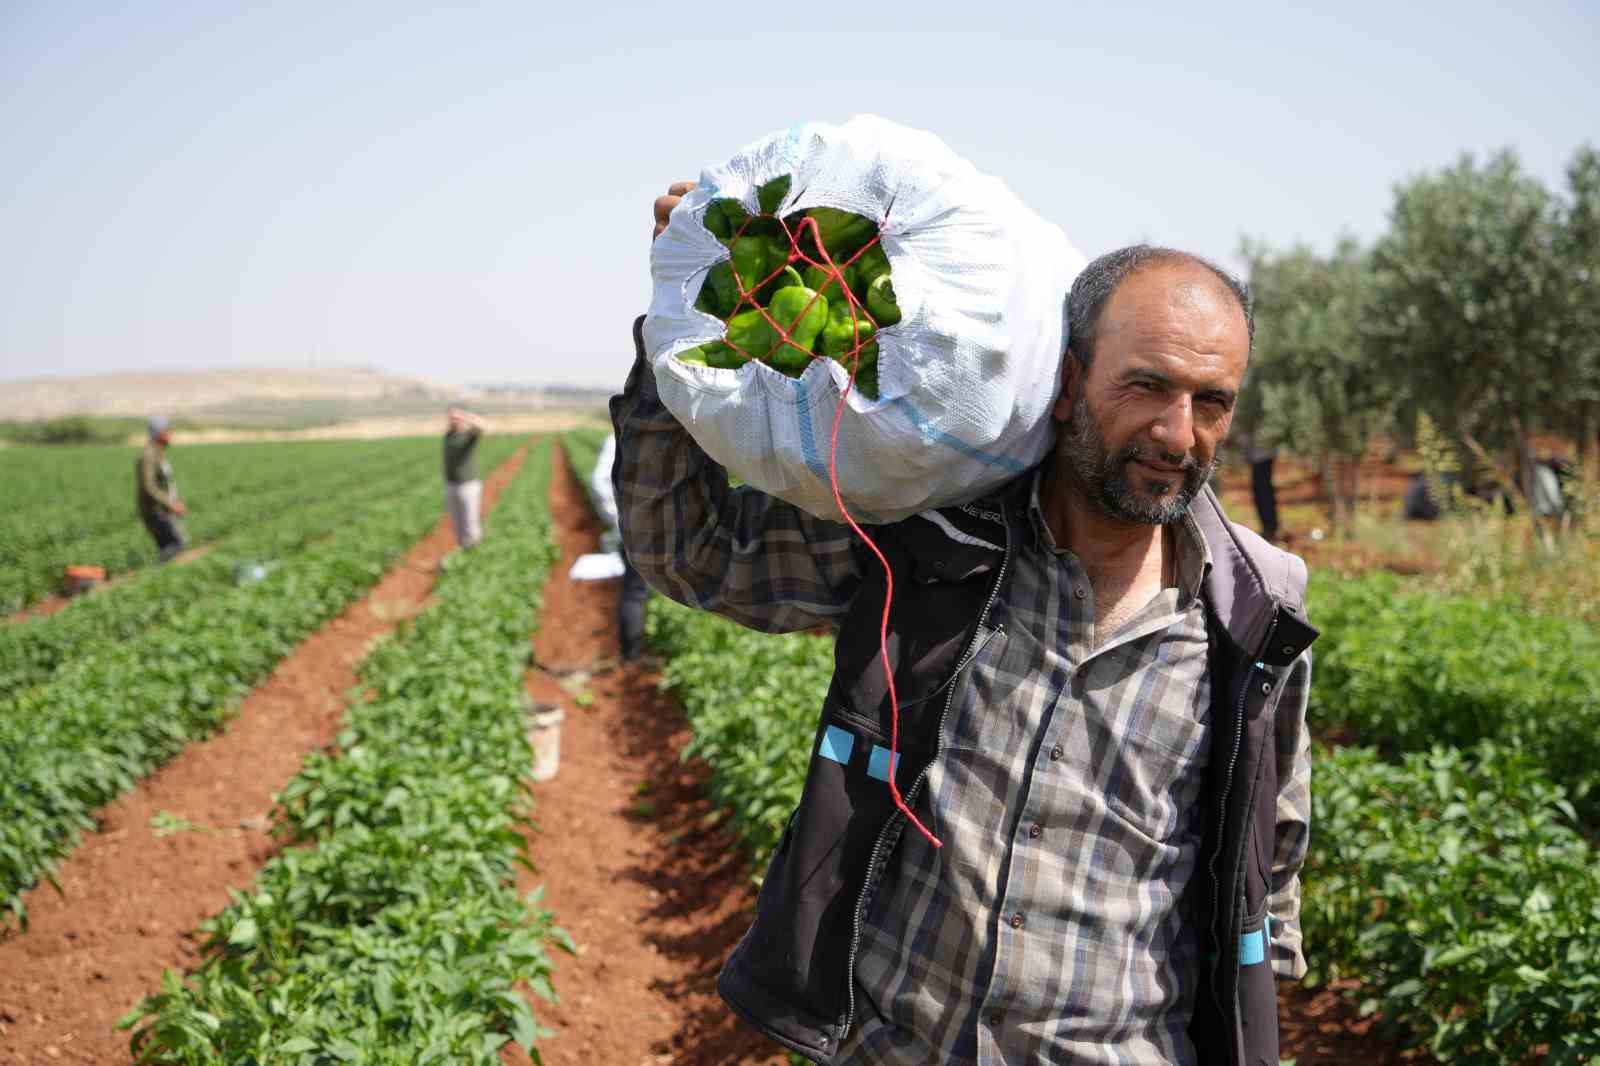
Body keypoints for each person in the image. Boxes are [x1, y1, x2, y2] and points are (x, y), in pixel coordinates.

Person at [616, 187, 1319, 1066]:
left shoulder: (1254, 612)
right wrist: (685, 305)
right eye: (1147, 387)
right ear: (1067, 384)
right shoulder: (935, 542)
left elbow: (1272, 849)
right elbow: (690, 549)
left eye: (1211, 402)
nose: (1179, 433)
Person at [588, 431, 653, 663]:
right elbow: (600, 481)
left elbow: (599, 480)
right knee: (637, 590)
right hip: (645, 527)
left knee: (637, 590)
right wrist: (619, 518)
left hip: (645, 526)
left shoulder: (624, 430)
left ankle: (634, 654)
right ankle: (633, 656)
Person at [136, 416, 188, 562]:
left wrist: (173, 502)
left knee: (170, 545)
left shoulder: (158, 453)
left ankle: (160, 574)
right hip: (155, 511)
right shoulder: (148, 456)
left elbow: (164, 483)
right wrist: (171, 504)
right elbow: (149, 487)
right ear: (160, 433)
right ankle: (155, 575)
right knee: (177, 543)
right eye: (168, 430)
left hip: (162, 510)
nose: (171, 433)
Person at [442, 406, 487, 549]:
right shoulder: (449, 435)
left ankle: (474, 549)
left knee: (470, 522)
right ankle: (463, 549)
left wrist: (468, 417)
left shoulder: (469, 435)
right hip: (451, 485)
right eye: (451, 417)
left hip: (467, 485)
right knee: (457, 522)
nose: (453, 419)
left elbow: (482, 427)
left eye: (456, 417)